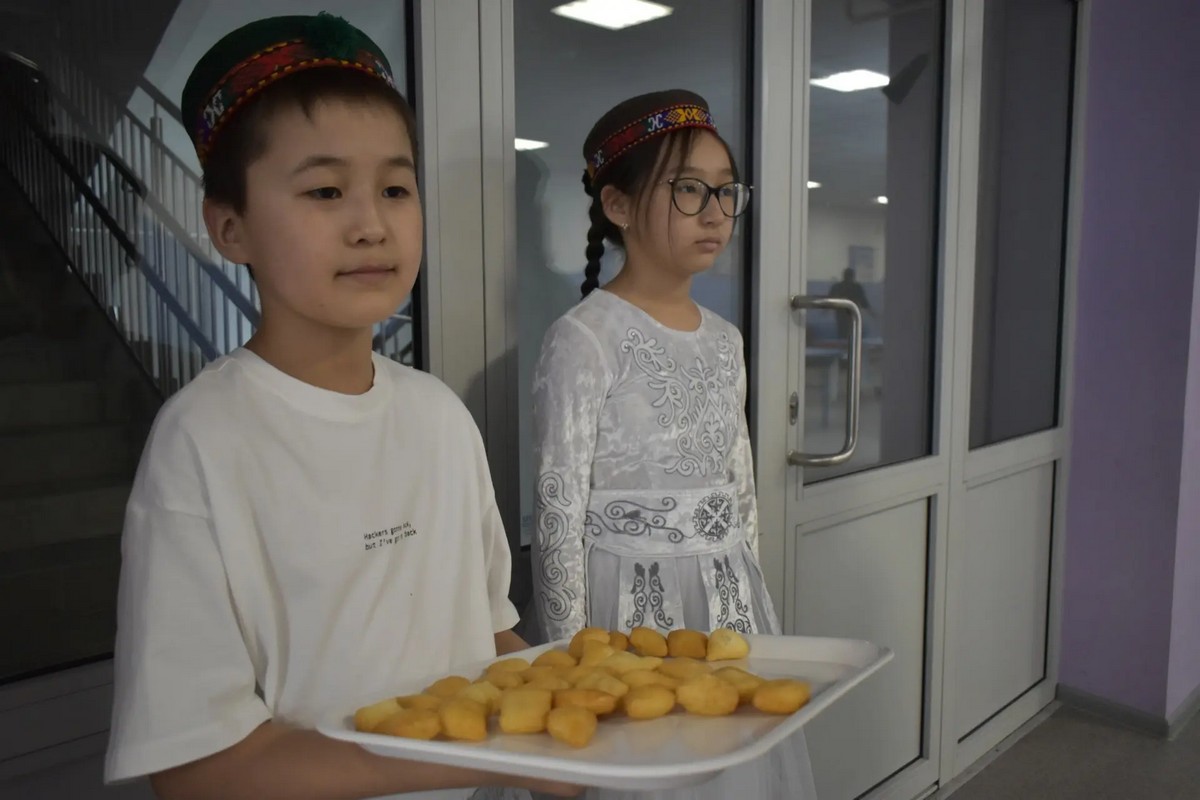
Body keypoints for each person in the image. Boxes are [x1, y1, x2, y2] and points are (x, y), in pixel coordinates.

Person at [103, 13, 576, 800]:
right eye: (325, 191)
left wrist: (569, 736)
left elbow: (490, 634)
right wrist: (489, 759)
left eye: (395, 188)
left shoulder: (438, 417)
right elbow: (197, 768)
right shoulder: (204, 442)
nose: (371, 225)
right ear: (230, 227)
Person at [530, 89, 818, 798]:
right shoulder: (585, 337)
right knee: (646, 761)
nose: (715, 213)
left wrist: (751, 599)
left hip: (726, 599)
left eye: (726, 191)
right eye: (689, 189)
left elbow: (741, 490)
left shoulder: (726, 339)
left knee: (733, 762)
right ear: (619, 205)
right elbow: (557, 512)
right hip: (627, 604)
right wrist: (571, 660)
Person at [828, 267, 871, 340]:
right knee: (849, 332)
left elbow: (829, 301)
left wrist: (824, 310)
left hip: (846, 315)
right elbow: (864, 303)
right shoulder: (855, 287)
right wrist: (872, 313)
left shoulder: (839, 287)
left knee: (846, 332)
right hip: (848, 315)